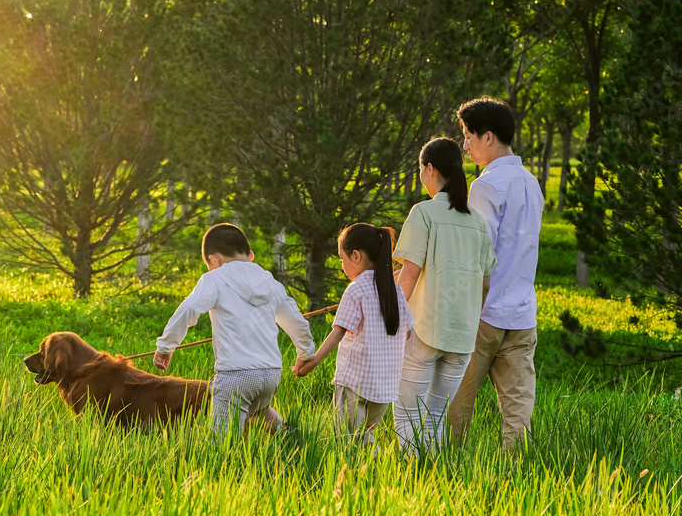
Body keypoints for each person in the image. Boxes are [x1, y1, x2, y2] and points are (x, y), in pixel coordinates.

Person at [153, 223, 316, 435]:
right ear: (250, 256)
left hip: (236, 375)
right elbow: (296, 320)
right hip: (271, 374)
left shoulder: (215, 278)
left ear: (214, 260)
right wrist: (306, 352)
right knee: (257, 409)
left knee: (222, 443)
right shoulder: (269, 281)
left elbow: (189, 309)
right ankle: (290, 437)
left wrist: (165, 346)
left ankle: (227, 463)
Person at [448, 97, 545, 451]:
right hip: (521, 315)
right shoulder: (532, 183)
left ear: (488, 137)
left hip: (483, 315)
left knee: (456, 404)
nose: (466, 146)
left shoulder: (485, 186)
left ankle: (445, 469)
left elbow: (477, 255)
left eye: (468, 136)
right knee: (518, 412)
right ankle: (513, 478)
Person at [393, 137, 497, 454]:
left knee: (407, 414)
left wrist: (390, 319)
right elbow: (485, 283)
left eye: (420, 169)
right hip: (463, 335)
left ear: (429, 168)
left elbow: (409, 274)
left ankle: (411, 479)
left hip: (424, 329)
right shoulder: (477, 223)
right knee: (435, 418)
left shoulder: (424, 212)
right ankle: (433, 476)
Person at [292, 223, 414, 447]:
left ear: (355, 256)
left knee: (348, 442)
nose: (341, 265)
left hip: (354, 384)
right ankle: (376, 475)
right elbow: (406, 334)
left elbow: (336, 333)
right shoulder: (394, 290)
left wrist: (311, 363)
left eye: (341, 258)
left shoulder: (356, 289)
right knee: (364, 438)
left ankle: (373, 471)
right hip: (383, 389)